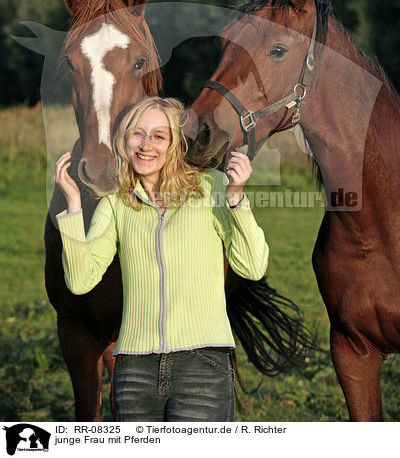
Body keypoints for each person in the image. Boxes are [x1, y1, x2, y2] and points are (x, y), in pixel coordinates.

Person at [54, 96, 268, 422]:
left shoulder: (212, 188)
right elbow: (81, 281)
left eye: (158, 136)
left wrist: (237, 199)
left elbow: (252, 267)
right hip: (135, 370)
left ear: (175, 144)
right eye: (137, 134)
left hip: (203, 365)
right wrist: (72, 207)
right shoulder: (116, 202)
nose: (145, 145)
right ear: (124, 140)